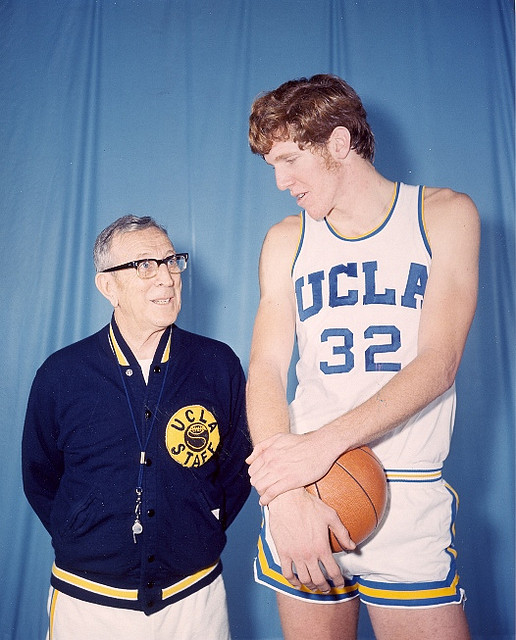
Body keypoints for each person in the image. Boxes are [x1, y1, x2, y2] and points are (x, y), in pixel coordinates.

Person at [245, 74, 479, 640]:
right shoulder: (286, 240)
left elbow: (438, 362)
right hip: (306, 495)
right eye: (272, 166)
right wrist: (286, 493)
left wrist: (320, 448)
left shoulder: (443, 215)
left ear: (340, 143)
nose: (280, 182)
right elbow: (267, 369)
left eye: (290, 160)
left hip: (404, 486)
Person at [22, 215, 252, 640]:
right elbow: (40, 477)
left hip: (194, 601)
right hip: (87, 606)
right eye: (145, 265)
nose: (166, 278)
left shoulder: (218, 365)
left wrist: (198, 521)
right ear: (108, 286)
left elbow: (238, 470)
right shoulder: (61, 374)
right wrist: (86, 530)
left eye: (171, 261)